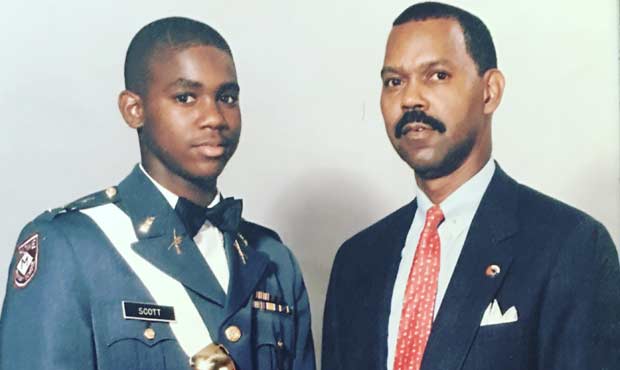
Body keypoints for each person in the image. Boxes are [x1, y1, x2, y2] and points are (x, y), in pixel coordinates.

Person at [0, 17, 315, 370]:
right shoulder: (70, 246)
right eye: (185, 97)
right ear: (134, 109)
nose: (214, 117)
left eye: (227, 97)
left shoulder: (273, 260)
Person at [321, 2, 620, 370]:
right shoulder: (357, 261)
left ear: (490, 91)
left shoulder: (570, 247)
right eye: (394, 82)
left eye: (437, 75)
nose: (410, 98)